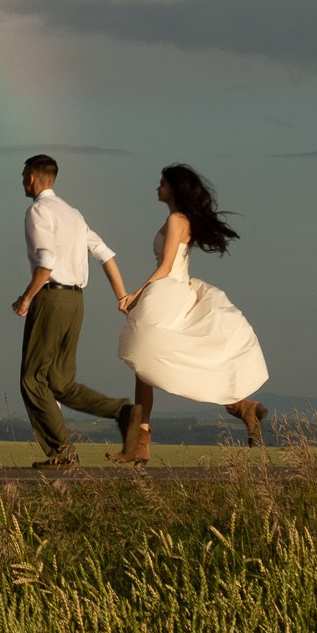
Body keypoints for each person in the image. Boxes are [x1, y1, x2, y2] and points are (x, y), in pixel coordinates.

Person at [111, 163, 269, 465]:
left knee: (145, 357)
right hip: (175, 288)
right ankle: (241, 407)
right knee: (145, 365)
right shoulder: (180, 219)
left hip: (168, 290)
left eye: (162, 184)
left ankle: (141, 442)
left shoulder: (175, 219)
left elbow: (166, 266)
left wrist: (137, 293)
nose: (157, 188)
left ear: (174, 189)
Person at [11, 154, 136, 468]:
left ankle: (63, 454)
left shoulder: (38, 211)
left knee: (32, 379)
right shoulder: (73, 214)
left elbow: (46, 262)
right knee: (61, 383)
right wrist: (122, 296)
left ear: (34, 178)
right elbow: (104, 254)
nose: (22, 180)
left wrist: (26, 298)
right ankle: (122, 411)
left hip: (51, 298)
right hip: (76, 302)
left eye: (24, 175)